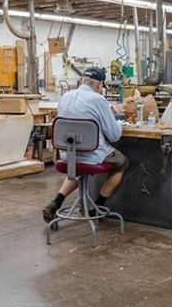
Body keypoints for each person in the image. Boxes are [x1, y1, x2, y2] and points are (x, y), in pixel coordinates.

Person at [42, 66, 129, 222]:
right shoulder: (99, 100)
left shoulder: (65, 97)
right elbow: (114, 135)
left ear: (82, 81)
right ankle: (98, 205)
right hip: (92, 155)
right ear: (98, 85)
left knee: (77, 166)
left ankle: (56, 202)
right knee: (122, 162)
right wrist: (114, 118)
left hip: (67, 154)